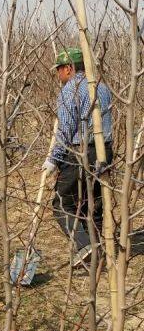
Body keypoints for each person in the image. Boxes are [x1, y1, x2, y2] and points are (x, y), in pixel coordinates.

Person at [42, 47, 113, 267]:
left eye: (60, 70)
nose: (58, 75)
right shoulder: (101, 87)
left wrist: (53, 159)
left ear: (69, 68)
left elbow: (65, 128)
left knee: (62, 203)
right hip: (104, 150)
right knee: (94, 202)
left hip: (79, 151)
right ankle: (100, 248)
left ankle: (86, 248)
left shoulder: (70, 90)